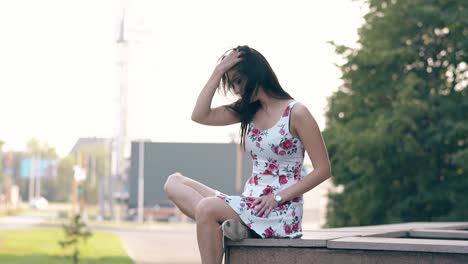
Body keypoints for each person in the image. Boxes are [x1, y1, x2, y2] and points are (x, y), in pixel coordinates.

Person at [164, 45, 331, 264]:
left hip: (278, 210)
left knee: (206, 209)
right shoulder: (247, 111)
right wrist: (218, 72)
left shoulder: (296, 113)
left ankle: (233, 227)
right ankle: (237, 227)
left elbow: (323, 170)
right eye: (233, 83)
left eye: (239, 81)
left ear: (255, 75)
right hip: (249, 204)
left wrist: (277, 197)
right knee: (173, 182)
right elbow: (199, 115)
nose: (236, 89)